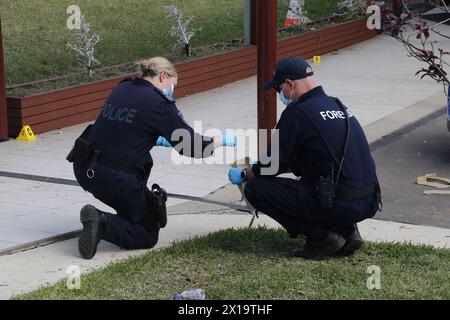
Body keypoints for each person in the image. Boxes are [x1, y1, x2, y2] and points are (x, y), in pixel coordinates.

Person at [68, 57, 236, 259]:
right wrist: (221, 140)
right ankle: (102, 222)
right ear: (163, 76)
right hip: (113, 179)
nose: (172, 91)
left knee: (140, 186)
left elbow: (124, 127)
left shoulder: (123, 87)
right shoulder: (159, 103)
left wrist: (156, 139)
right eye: (173, 85)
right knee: (147, 232)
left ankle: (116, 217)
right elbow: (191, 146)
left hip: (84, 168)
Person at [228, 56, 382, 260]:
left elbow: (272, 165)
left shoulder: (297, 112)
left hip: (340, 204)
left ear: (290, 84)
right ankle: (348, 231)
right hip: (368, 201)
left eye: (278, 88)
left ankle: (322, 238)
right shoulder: (338, 105)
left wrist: (246, 173)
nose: (280, 94)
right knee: (321, 177)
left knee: (257, 189)